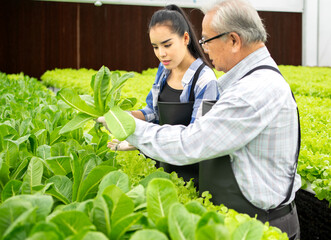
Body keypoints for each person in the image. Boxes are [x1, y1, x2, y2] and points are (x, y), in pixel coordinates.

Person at [100, 0, 301, 238]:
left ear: (234, 40)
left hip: (260, 227)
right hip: (240, 221)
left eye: (206, 40)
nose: (203, 48)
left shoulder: (253, 91)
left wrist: (130, 127)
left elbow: (191, 143)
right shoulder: (242, 83)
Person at [120, 5, 219, 186]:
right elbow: (153, 112)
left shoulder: (205, 80)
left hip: (193, 175)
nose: (161, 54)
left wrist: (142, 139)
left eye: (167, 45)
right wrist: (125, 118)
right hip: (163, 165)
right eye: (155, 47)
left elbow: (198, 138)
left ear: (185, 38)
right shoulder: (164, 70)